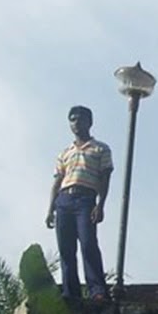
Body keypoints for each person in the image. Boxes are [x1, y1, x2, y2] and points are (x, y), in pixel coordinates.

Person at [45, 105, 114, 303]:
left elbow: (105, 178)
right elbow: (57, 181)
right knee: (66, 249)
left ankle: (97, 290)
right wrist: (50, 209)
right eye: (72, 119)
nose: (76, 123)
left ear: (89, 122)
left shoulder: (100, 148)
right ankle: (71, 292)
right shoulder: (65, 152)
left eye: (80, 119)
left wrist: (100, 205)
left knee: (88, 243)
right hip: (64, 200)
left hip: (85, 199)